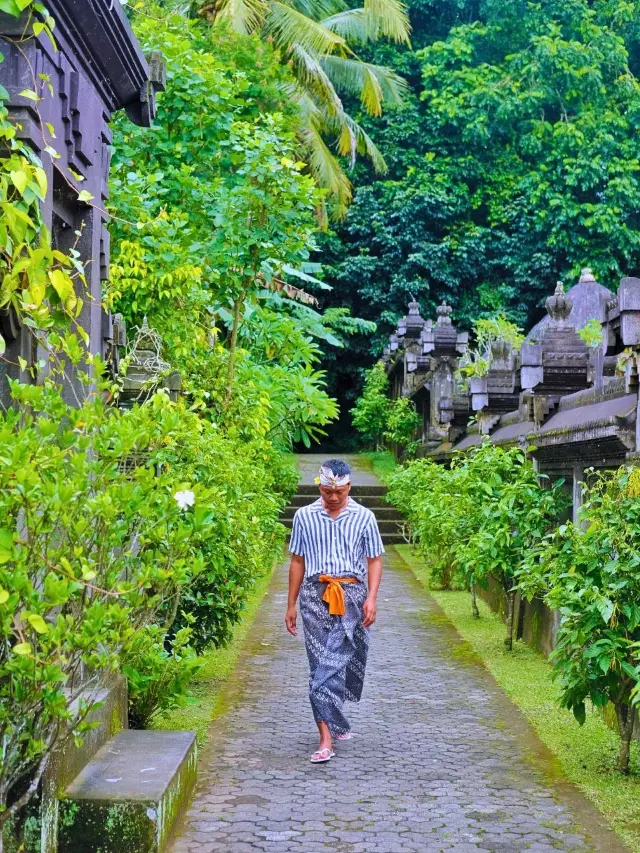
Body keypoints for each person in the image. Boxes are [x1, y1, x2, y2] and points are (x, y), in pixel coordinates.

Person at [285, 459, 384, 763]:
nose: (333, 497)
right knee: (320, 666)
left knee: (340, 659)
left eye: (339, 491)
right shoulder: (304, 517)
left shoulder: (364, 518)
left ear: (349, 487)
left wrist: (372, 598)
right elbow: (298, 560)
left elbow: (375, 558)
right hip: (314, 596)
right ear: (320, 487)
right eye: (328, 491)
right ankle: (326, 738)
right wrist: (290, 604)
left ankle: (334, 719)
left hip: (352, 595)